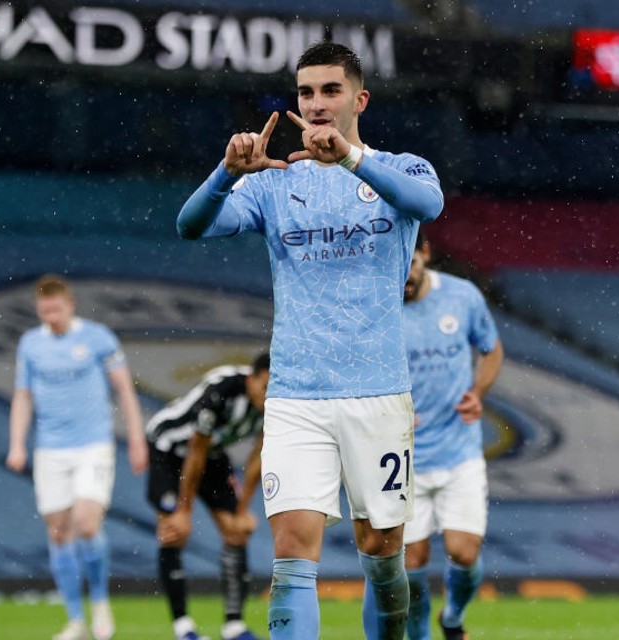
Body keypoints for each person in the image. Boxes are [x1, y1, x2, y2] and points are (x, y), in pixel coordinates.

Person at [176, 41, 444, 640]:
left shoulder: (402, 167)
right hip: (296, 398)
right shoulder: (274, 183)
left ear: (359, 98)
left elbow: (430, 204)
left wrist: (350, 160)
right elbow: (191, 226)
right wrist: (225, 174)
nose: (317, 103)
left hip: (377, 394)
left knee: (380, 550)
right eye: (305, 92)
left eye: (330, 90)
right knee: (292, 555)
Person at [362, 235, 503, 640]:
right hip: (404, 460)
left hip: (459, 451)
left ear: (424, 253)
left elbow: (492, 350)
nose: (403, 279)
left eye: (408, 265)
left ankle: (453, 618)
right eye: (395, 269)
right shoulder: (378, 309)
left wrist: (478, 393)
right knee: (414, 562)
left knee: (464, 552)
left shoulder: (462, 297)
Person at [6, 274, 148, 640]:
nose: (50, 315)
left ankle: (99, 601)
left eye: (55, 308)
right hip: (51, 448)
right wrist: (17, 443)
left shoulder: (98, 338)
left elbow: (124, 390)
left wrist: (136, 439)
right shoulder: (31, 345)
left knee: (86, 523)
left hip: (93, 444)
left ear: (69, 305)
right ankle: (75, 620)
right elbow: (23, 396)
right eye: (44, 310)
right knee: (57, 532)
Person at [147, 353, 271, 640]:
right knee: (174, 530)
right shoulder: (222, 390)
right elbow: (195, 451)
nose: (267, 397)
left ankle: (234, 626)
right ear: (251, 379)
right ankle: (183, 628)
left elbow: (258, 455)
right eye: (263, 388)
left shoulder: (278, 401)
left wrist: (242, 509)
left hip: (212, 455)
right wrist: (184, 511)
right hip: (169, 449)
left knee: (236, 532)